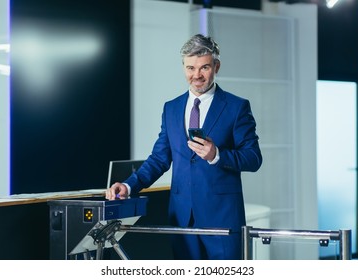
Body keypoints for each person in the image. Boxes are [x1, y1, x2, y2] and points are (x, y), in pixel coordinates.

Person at [106, 34, 262, 260]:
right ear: (183, 67)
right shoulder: (171, 108)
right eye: (190, 68)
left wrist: (217, 155)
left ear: (216, 66)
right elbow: (159, 159)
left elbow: (253, 158)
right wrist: (129, 187)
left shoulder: (237, 107)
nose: (196, 75)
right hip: (182, 219)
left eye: (204, 67)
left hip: (223, 220)